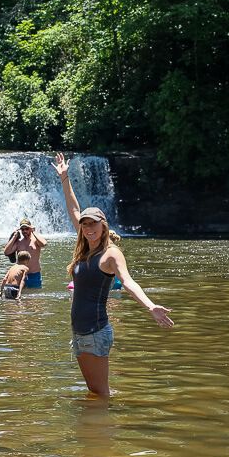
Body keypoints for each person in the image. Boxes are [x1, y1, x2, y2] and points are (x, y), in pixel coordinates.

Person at [52, 152, 174, 398]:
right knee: (94, 392)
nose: (88, 228)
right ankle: (98, 430)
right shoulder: (85, 246)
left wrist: (150, 307)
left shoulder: (110, 254)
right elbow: (74, 209)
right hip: (81, 331)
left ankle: (106, 432)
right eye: (85, 224)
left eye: (93, 224)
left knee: (100, 393)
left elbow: (128, 282)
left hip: (95, 332)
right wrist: (65, 177)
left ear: (103, 225)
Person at [3, 218, 47, 288]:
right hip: (20, 274)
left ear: (30, 228)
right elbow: (6, 252)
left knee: (35, 297)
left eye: (26, 228)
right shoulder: (19, 242)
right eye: (22, 229)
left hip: (34, 275)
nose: (24, 231)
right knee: (21, 296)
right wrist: (14, 237)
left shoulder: (35, 240)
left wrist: (33, 232)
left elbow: (44, 244)